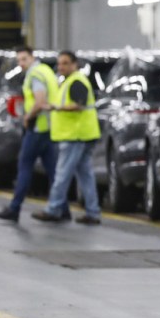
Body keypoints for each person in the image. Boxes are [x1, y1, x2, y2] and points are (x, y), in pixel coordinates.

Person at [0, 47, 70, 222]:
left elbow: (40, 101)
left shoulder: (35, 75)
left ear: (32, 58)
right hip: (49, 128)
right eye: (19, 60)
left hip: (37, 128)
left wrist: (27, 116)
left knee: (24, 166)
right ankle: (63, 208)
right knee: (53, 171)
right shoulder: (47, 71)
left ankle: (14, 208)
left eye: (24, 59)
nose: (21, 64)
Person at [32, 51, 101, 225]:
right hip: (82, 135)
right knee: (85, 176)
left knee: (62, 175)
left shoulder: (76, 81)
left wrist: (56, 107)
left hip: (74, 137)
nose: (61, 67)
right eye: (60, 63)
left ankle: (53, 209)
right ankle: (93, 212)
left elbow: (78, 105)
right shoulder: (70, 81)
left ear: (74, 64)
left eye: (65, 63)